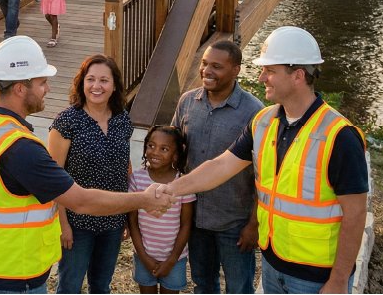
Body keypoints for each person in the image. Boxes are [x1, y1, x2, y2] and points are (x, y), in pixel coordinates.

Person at [157, 27, 369, 295]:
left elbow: (356, 213)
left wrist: (338, 280)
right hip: (273, 265)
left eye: (270, 71)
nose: (261, 77)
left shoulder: (340, 135)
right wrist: (171, 190)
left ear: (298, 76)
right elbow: (222, 166)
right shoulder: (264, 122)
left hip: (316, 276)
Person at [0, 36, 175, 295]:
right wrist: (143, 200)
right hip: (13, 272)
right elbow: (81, 201)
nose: (48, 89)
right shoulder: (21, 148)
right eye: (42, 82)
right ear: (19, 88)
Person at [170, 41, 263, 295]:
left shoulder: (255, 113)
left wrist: (254, 224)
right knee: (203, 284)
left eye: (216, 66)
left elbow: (263, 176)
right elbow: (174, 152)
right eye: (204, 63)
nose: (206, 71)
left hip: (234, 221)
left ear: (236, 70)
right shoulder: (187, 102)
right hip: (194, 217)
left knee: (239, 288)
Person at [48, 55, 133, 295]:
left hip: (112, 219)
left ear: (114, 85)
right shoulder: (67, 121)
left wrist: (126, 214)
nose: (97, 86)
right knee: (70, 287)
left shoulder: (122, 119)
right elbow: (55, 179)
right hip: (77, 222)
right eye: (91, 79)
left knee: (101, 286)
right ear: (81, 83)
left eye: (104, 80)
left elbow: (124, 167)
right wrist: (63, 224)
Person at [128, 126, 195, 294]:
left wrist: (171, 261)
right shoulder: (137, 179)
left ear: (176, 154)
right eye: (151, 146)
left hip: (175, 259)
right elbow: (133, 222)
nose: (155, 152)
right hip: (144, 256)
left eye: (164, 149)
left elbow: (186, 225)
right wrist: (143, 256)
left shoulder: (183, 183)